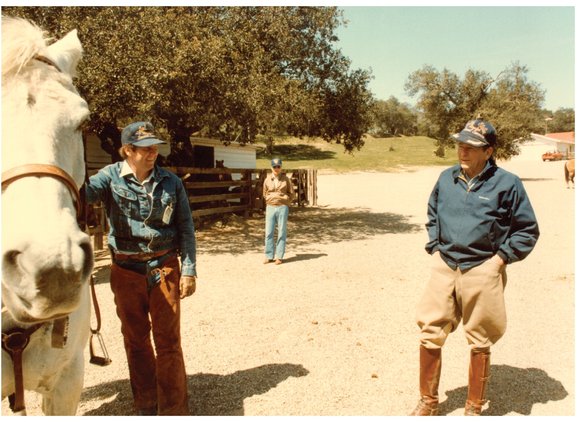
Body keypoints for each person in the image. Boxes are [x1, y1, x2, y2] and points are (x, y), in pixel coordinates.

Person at [410, 118, 539, 416]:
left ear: (489, 151)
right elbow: (432, 214)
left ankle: (474, 406)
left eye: (472, 147)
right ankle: (428, 402)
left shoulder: (508, 184)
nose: (463, 151)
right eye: (460, 145)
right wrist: (435, 247)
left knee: (480, 336)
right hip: (445, 265)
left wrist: (500, 260)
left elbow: (527, 229)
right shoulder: (446, 178)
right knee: (430, 328)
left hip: (483, 267)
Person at [84, 121, 196, 415]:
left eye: (155, 148)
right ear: (127, 150)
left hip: (164, 269)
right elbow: (83, 196)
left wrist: (189, 270)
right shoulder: (108, 178)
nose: (153, 154)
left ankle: (174, 411)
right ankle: (146, 404)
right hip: (125, 272)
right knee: (136, 341)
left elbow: (186, 227)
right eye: (145, 149)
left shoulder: (172, 182)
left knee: (169, 343)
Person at [263, 158, 295, 265]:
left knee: (281, 231)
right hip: (270, 207)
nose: (276, 168)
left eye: (278, 166)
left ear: (281, 167)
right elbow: (264, 193)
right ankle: (269, 255)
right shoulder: (267, 180)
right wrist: (269, 199)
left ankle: (279, 257)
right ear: (271, 167)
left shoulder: (286, 179)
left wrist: (286, 202)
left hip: (282, 207)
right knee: (269, 232)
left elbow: (292, 193)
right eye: (274, 166)